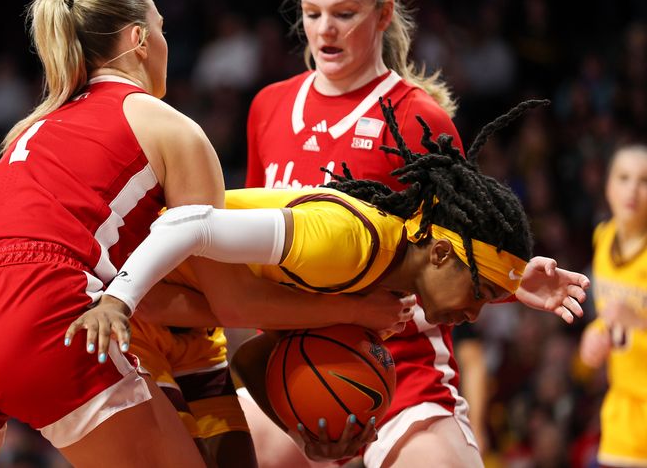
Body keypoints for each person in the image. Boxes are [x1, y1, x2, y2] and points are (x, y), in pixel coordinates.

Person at [66, 98, 589, 462]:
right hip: (128, 310)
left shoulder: (385, 291)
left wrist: (302, 428)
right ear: (440, 253)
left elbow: (256, 356)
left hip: (194, 334)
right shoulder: (350, 240)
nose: (474, 315)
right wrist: (120, 298)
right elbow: (188, 221)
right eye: (479, 296)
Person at [0, 0, 228, 468]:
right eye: (159, 29)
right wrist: (351, 307)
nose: (165, 41)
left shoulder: (31, 128)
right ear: (139, 40)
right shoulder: (168, 124)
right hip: (41, 302)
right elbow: (227, 299)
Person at [242, 0, 495, 467]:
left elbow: (459, 271)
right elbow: (252, 270)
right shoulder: (268, 107)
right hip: (295, 367)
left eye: (344, 14)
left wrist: (518, 278)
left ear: (383, 13)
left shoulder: (420, 120)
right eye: (312, 14)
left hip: (401, 368)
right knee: (205, 445)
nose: (324, 30)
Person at [579, 144, 647, 468]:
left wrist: (641, 322)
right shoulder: (603, 238)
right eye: (624, 178)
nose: (633, 189)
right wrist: (595, 334)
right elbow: (610, 313)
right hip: (623, 406)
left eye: (644, 180)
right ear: (608, 186)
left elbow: (632, 316)